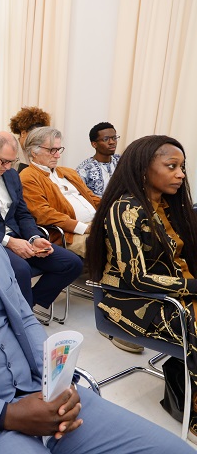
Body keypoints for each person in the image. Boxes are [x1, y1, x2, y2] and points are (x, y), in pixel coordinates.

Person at [0, 162, 193, 454]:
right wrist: (6, 414)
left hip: (41, 392)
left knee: (173, 450)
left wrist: (59, 383)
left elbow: (26, 319)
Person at [86, 135, 197, 429]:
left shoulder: (168, 205)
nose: (180, 174)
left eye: (182, 167)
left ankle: (181, 375)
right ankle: (193, 413)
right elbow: (136, 278)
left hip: (172, 292)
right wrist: (193, 287)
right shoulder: (125, 209)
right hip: (132, 300)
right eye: (171, 166)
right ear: (144, 168)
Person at [0, 132, 82, 308]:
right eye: (4, 161)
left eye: (12, 162)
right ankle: (21, 313)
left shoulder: (12, 174)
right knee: (21, 270)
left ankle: (25, 306)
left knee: (71, 263)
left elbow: (23, 214)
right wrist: (9, 242)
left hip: (19, 236)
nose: (8, 167)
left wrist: (34, 238)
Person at [20, 127, 100, 258]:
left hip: (95, 223)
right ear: (34, 152)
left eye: (59, 149)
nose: (58, 155)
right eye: (52, 150)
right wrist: (84, 228)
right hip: (70, 234)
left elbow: (92, 198)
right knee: (113, 243)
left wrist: (112, 209)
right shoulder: (28, 177)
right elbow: (44, 214)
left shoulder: (69, 172)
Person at [76, 122, 121, 197]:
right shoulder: (84, 170)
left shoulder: (122, 161)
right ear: (94, 144)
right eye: (106, 139)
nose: (112, 142)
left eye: (114, 138)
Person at [9, 107, 51, 172]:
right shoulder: (10, 150)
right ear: (23, 133)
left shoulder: (38, 151)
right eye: (33, 136)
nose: (36, 140)